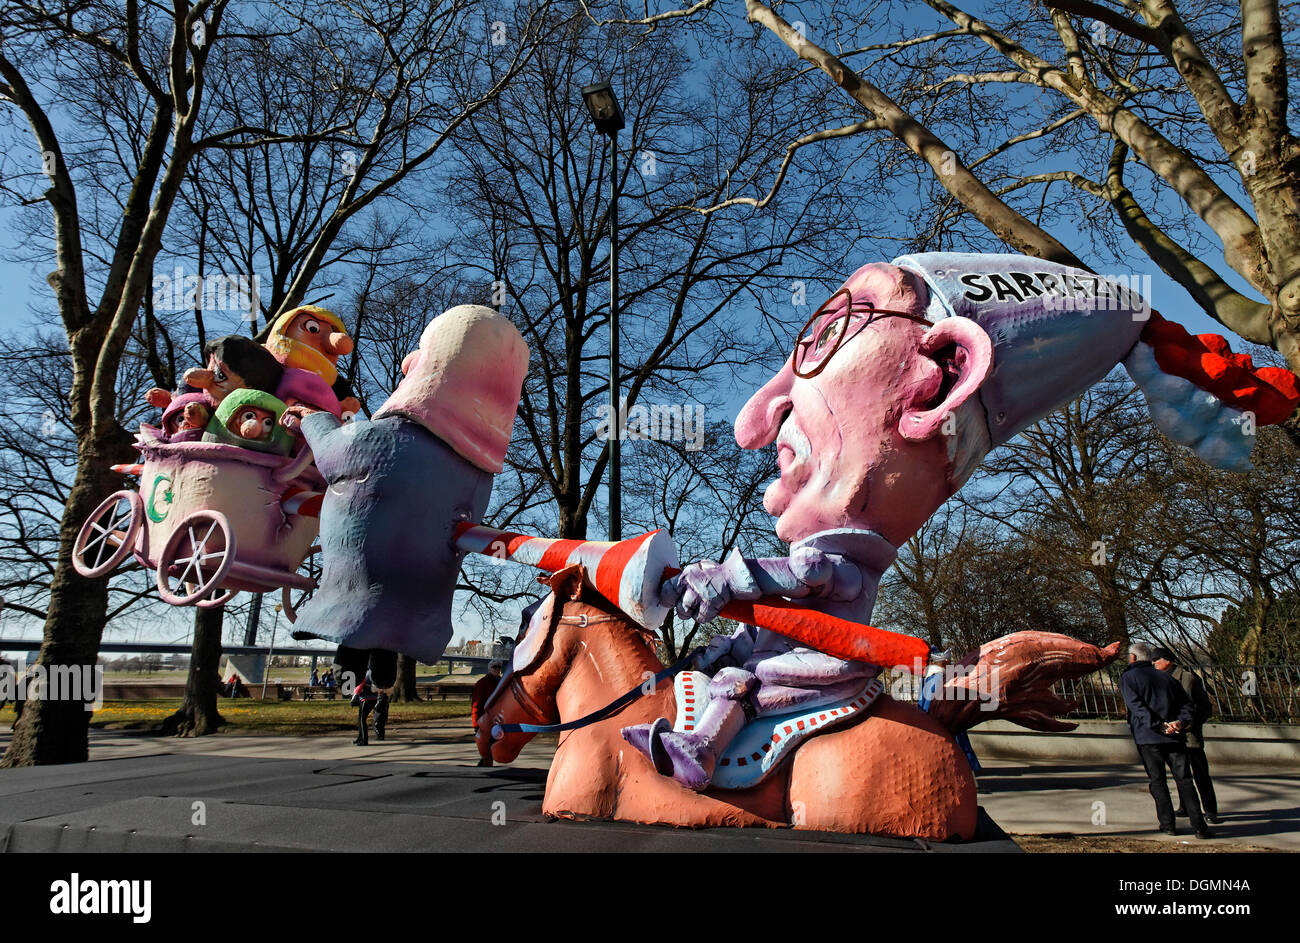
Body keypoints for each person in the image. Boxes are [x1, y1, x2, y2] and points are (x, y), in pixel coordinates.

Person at [1120, 641, 1211, 839]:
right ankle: (1199, 826)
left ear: (1133, 658)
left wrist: (1156, 725)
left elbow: (1136, 706)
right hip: (1174, 737)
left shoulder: (1129, 678)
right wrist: (1179, 723)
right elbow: (1187, 704)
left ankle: (1168, 824)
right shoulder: (1166, 677)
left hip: (1148, 737)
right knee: (1185, 780)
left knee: (1158, 781)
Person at [1154, 646, 1219, 824]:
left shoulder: (1187, 678)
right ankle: (1185, 806)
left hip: (1189, 734)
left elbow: (1199, 707)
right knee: (1180, 773)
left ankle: (1210, 810)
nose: (1153, 664)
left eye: (1156, 660)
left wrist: (1187, 725)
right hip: (1174, 733)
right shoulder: (1163, 678)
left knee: (1200, 774)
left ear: (1167, 661)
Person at [471, 661, 504, 767]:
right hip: (485, 721)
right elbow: (476, 704)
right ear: (489, 669)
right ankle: (483, 769)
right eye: (494, 667)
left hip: (498, 721)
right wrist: (476, 723)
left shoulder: (502, 683)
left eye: (499, 667)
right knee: (488, 750)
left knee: (492, 748)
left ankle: (484, 768)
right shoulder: (482, 683)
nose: (497, 669)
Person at [351, 671, 379, 746]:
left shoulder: (365, 673)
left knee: (362, 720)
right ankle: (360, 738)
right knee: (361, 719)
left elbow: (360, 685)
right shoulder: (372, 673)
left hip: (366, 699)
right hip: (373, 698)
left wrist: (355, 697)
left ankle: (363, 739)